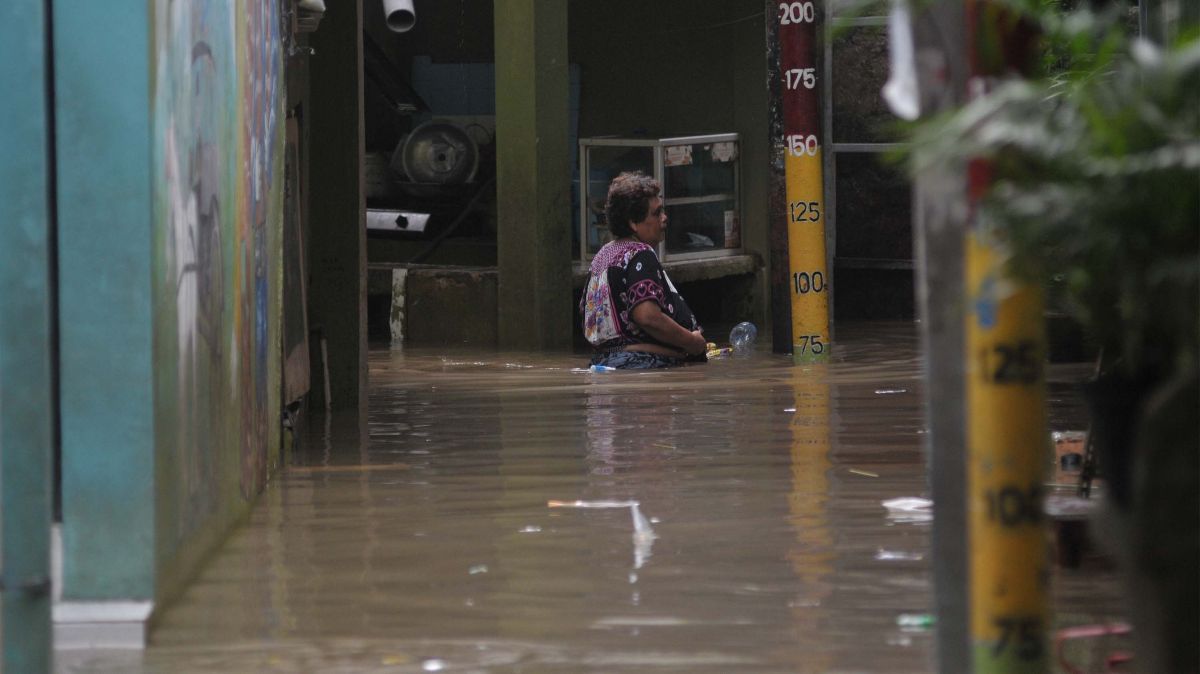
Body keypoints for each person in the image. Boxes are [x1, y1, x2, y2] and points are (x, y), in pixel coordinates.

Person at [580, 171, 707, 369]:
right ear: (633, 222)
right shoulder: (640, 253)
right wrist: (692, 342)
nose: (664, 218)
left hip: (605, 363)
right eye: (656, 213)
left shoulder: (602, 256)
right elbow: (647, 317)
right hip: (643, 365)